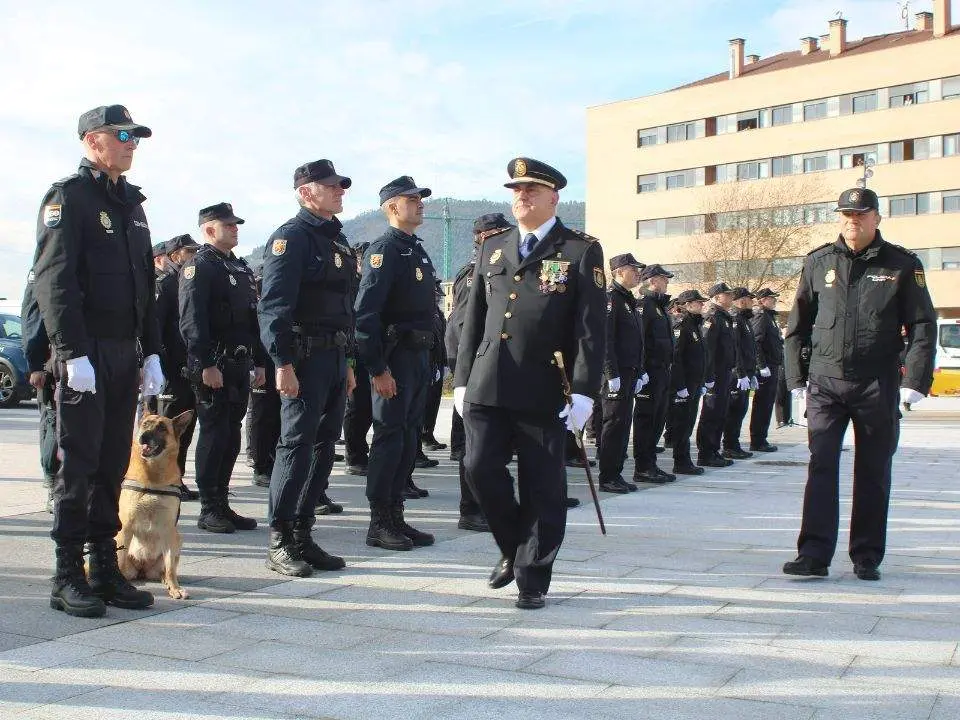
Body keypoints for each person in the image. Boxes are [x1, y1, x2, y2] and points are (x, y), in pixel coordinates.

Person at [454, 157, 606, 610]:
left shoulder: (579, 249)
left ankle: (532, 577)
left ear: (553, 197)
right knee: (478, 467)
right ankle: (514, 546)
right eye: (516, 190)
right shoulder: (494, 246)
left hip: (545, 383)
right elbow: (473, 318)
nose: (521, 196)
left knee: (542, 485)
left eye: (531, 190)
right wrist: (462, 378)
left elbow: (591, 329)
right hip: (488, 379)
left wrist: (584, 391)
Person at [32, 104, 162, 617]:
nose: (132, 144)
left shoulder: (132, 204)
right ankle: (67, 575)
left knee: (111, 464)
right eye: (122, 135)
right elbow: (54, 280)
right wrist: (70, 352)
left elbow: (145, 286)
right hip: (86, 355)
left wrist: (152, 349)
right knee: (80, 465)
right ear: (92, 141)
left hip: (124, 352)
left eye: (136, 137)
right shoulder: (69, 198)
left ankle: (104, 568)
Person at [782, 187, 935, 581]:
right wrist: (796, 379)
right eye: (847, 214)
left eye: (861, 214)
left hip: (876, 383)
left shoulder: (901, 264)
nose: (853, 221)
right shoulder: (819, 262)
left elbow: (922, 325)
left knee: (873, 468)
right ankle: (813, 554)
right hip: (826, 382)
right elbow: (798, 325)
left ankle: (866, 554)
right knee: (821, 464)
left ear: (876, 218)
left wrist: (915, 380)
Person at [258, 160, 355, 576]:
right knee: (296, 446)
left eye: (340, 186)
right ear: (305, 192)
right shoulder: (291, 238)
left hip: (334, 357)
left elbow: (345, 308)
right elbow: (274, 306)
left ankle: (302, 533)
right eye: (330, 186)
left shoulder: (337, 241)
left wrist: (348, 362)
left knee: (324, 446)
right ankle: (280, 539)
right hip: (303, 357)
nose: (339, 191)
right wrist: (282, 362)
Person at [354, 176, 438, 551]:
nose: (420, 204)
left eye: (420, 199)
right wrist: (377, 368)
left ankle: (397, 514)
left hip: (418, 357)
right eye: (412, 199)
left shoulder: (415, 250)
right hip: (395, 359)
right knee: (389, 439)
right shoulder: (384, 250)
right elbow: (366, 314)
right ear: (392, 207)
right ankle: (379, 522)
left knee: (407, 437)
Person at [179, 203, 265, 534]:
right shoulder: (199, 266)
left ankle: (223, 502)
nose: (235, 229)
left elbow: (252, 318)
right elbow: (192, 320)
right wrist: (205, 364)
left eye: (235, 224)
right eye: (228, 225)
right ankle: (209, 508)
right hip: (214, 364)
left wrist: (259, 361)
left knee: (230, 434)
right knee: (214, 434)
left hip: (239, 363)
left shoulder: (239, 267)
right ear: (209, 229)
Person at [445, 214, 513, 531]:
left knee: (494, 442)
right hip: (475, 367)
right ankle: (471, 509)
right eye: (500, 233)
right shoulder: (474, 273)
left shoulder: (500, 268)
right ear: (484, 237)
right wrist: (465, 371)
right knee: (475, 442)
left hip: (495, 364)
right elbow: (464, 324)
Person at [155, 233, 201, 500]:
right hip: (170, 370)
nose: (193, 256)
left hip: (188, 368)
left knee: (184, 430)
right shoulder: (165, 285)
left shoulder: (189, 281)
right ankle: (162, 482)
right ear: (175, 255)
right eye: (188, 252)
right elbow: (156, 330)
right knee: (166, 430)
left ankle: (176, 478)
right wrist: (159, 366)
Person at [597, 253, 646, 494]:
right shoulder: (611, 299)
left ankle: (616, 473)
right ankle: (608, 477)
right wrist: (610, 373)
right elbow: (605, 338)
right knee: (614, 424)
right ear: (618, 272)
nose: (637, 274)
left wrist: (641, 370)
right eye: (633, 269)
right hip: (616, 374)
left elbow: (636, 340)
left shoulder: (628, 300)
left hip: (629, 371)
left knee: (623, 424)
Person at [633, 264, 676, 484]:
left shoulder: (660, 305)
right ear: (652, 280)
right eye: (663, 278)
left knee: (658, 419)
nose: (667, 282)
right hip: (650, 372)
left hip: (663, 370)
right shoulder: (645, 305)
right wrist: (641, 370)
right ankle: (642, 467)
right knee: (647, 420)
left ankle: (651, 464)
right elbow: (640, 340)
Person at [22, 275, 59, 512]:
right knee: (53, 424)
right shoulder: (42, 272)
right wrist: (36, 365)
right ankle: (53, 483)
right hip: (49, 367)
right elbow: (33, 320)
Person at [246, 269, 282, 489]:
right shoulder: (261, 284)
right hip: (262, 357)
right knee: (262, 413)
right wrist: (257, 362)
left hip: (279, 356)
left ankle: (273, 461)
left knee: (277, 414)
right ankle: (260, 466)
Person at [696, 282, 737, 468]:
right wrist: (708, 376)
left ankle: (714, 450)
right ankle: (706, 452)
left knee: (720, 412)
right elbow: (708, 349)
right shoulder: (713, 317)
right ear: (717, 297)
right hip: (716, 373)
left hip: (725, 372)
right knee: (711, 413)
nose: (731, 297)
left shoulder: (724, 317)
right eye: (727, 295)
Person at [670, 290, 709, 476]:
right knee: (682, 424)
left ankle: (685, 460)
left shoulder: (695, 324)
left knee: (689, 422)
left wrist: (702, 380)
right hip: (684, 384)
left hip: (694, 382)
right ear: (687, 305)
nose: (702, 305)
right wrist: (680, 385)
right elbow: (676, 358)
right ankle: (681, 461)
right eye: (698, 302)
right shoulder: (682, 325)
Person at [343, 241, 373, 477]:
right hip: (353, 349)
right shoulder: (350, 283)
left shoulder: (371, 282)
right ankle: (354, 456)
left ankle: (361, 452)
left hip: (370, 349)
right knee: (356, 406)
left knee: (368, 407)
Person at [721, 287, 758, 460]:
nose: (752, 302)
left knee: (741, 409)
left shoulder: (744, 319)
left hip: (746, 373)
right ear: (742, 301)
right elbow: (735, 349)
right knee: (734, 411)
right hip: (738, 375)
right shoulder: (736, 319)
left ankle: (733, 444)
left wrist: (752, 372)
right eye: (750, 299)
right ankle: (729, 446)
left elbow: (749, 348)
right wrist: (740, 373)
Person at [749, 288, 783, 451]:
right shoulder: (761, 316)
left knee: (768, 403)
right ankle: (757, 440)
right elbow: (756, 342)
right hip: (766, 367)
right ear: (762, 300)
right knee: (762, 404)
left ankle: (761, 438)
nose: (774, 300)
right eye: (771, 298)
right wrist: (761, 365)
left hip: (773, 365)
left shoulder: (770, 317)